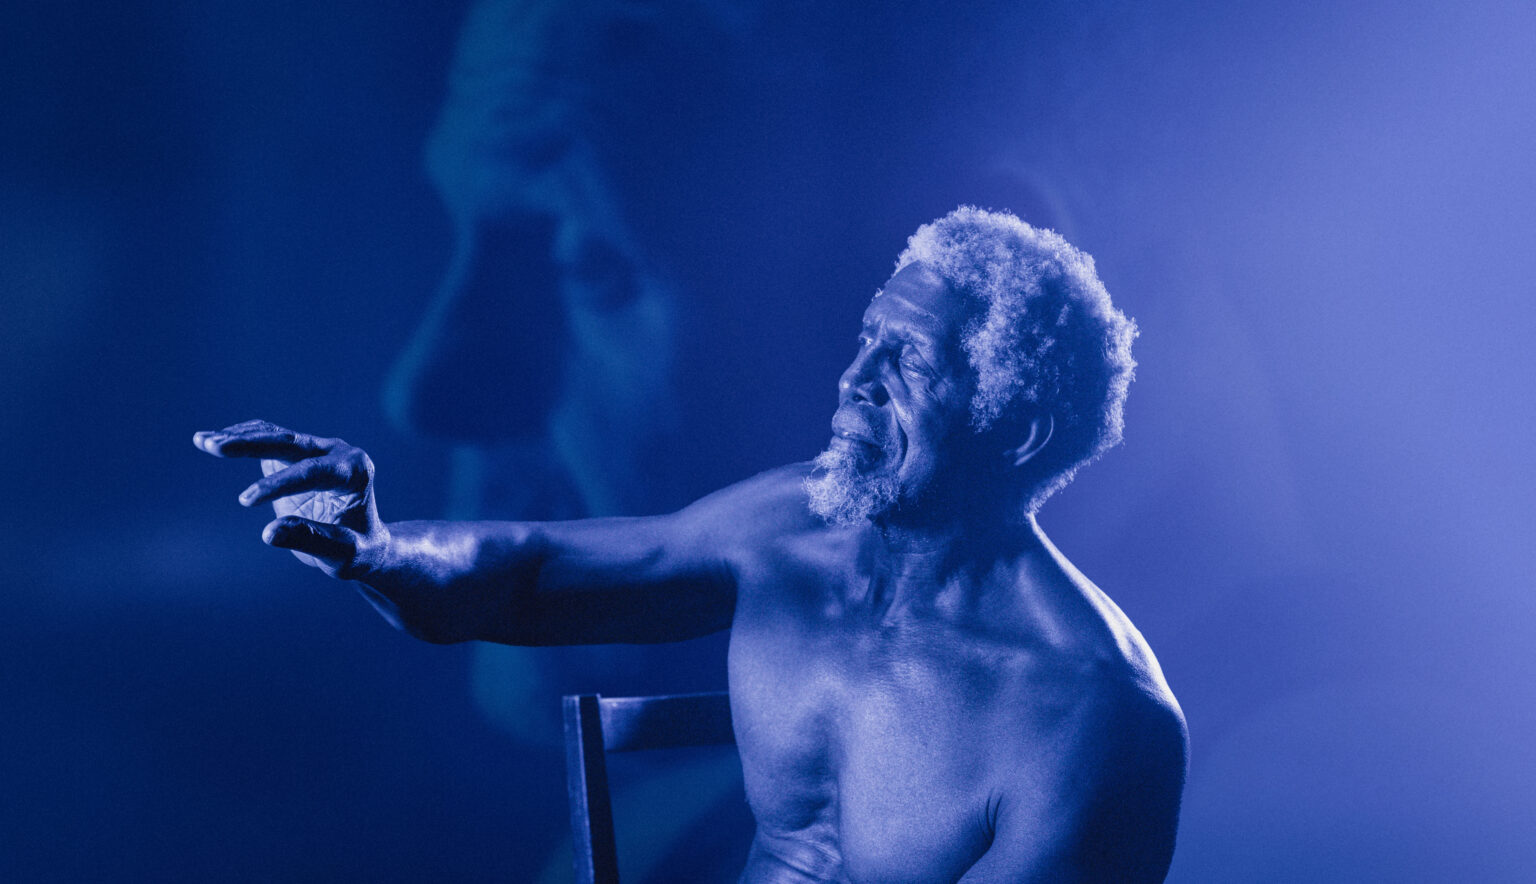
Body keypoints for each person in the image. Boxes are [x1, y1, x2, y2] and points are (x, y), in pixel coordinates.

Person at [196, 207, 1187, 882]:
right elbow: (530, 575)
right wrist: (377, 546)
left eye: (910, 365)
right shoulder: (794, 528)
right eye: (867, 340)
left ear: (1016, 432)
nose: (855, 381)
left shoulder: (1089, 715)